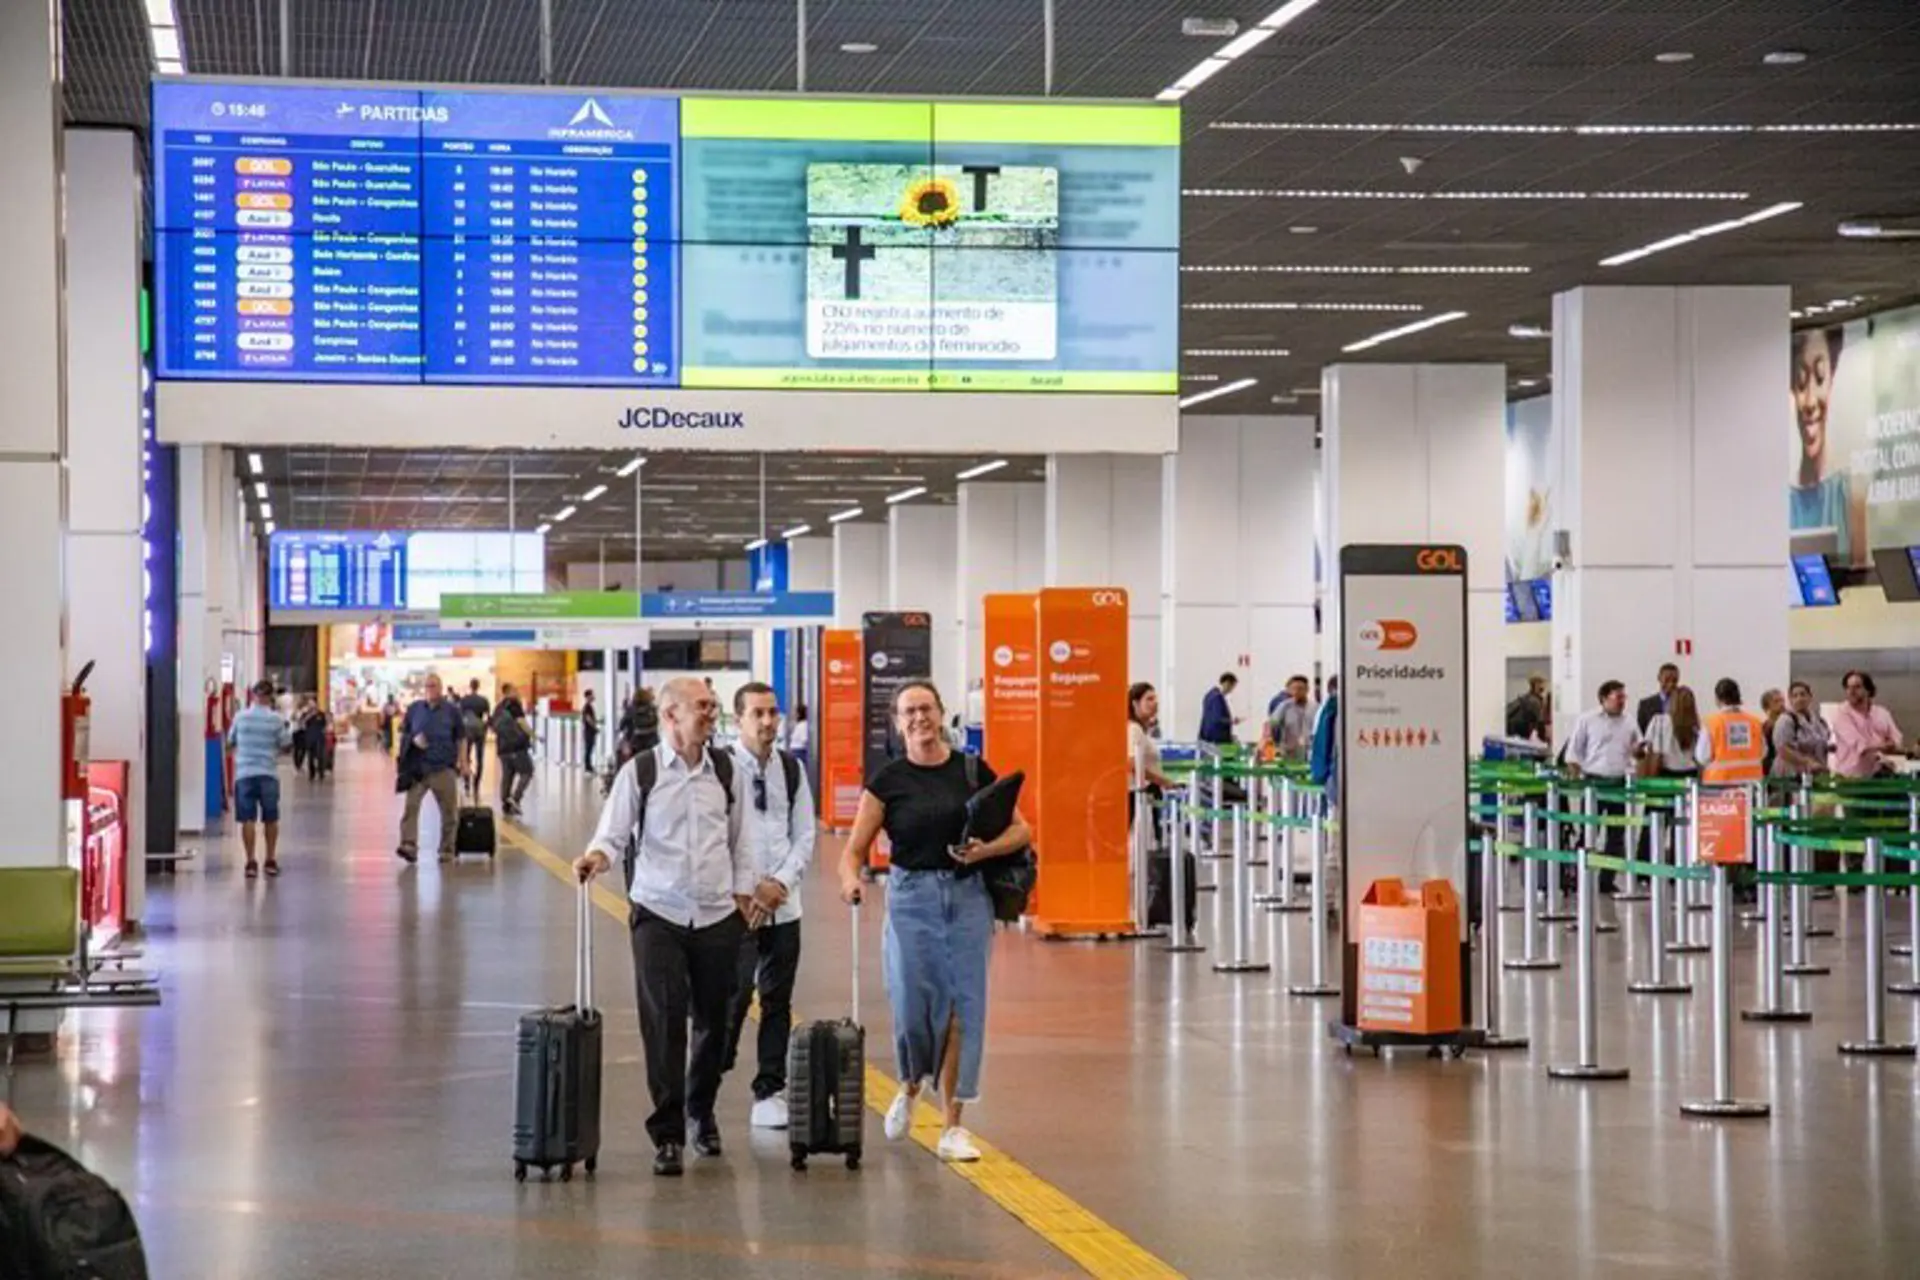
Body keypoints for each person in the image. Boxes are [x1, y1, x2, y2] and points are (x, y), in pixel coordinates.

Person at [838, 681, 1030, 1165]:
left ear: (942, 713)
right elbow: (854, 852)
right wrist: (850, 881)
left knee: (964, 1008)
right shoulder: (887, 782)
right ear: (897, 723)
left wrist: (985, 850)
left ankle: (953, 1125)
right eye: (909, 712)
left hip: (967, 898)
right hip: (910, 898)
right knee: (912, 1005)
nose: (919, 718)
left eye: (926, 708)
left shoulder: (970, 770)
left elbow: (1021, 828)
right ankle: (908, 1085)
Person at [574, 678, 755, 1178]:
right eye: (703, 706)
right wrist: (595, 857)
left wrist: (744, 890)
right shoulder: (642, 771)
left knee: (715, 1023)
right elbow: (611, 833)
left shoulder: (726, 770)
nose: (712, 714)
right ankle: (669, 1132)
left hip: (718, 912)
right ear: (671, 715)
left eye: (714, 706)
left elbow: (743, 839)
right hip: (659, 911)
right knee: (665, 1022)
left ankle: (701, 1108)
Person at [722, 682, 815, 1131]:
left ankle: (769, 1089)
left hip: (783, 908)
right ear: (738, 719)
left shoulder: (792, 770)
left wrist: (780, 882)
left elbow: (805, 835)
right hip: (734, 909)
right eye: (757, 713)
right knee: (731, 997)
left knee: (777, 1000)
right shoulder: (719, 769)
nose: (767, 722)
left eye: (772, 713)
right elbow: (712, 836)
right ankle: (708, 1078)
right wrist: (744, 889)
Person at [1791, 325, 1862, 565]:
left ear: (1832, 378)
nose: (1810, 401)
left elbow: (1865, 584)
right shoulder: (1779, 501)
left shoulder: (1850, 494)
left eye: (1819, 379)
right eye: (1801, 384)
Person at [1566, 680, 1642, 893]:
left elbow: (1638, 750)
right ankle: (1578, 878)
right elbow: (1574, 752)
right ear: (1603, 698)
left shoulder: (1630, 722)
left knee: (1616, 836)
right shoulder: (1587, 720)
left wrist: (1639, 751)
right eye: (1617, 697)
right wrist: (1575, 774)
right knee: (1588, 833)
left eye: (1623, 697)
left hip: (1618, 783)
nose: (1621, 702)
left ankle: (1606, 881)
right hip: (1594, 782)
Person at [395, 673, 471, 864]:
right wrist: (410, 743)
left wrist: (464, 762)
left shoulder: (452, 711)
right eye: (428, 686)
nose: (431, 689)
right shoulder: (415, 709)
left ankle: (446, 849)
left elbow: (461, 737)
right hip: (419, 769)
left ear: (441, 688)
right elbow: (404, 733)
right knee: (411, 807)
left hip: (443, 768)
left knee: (449, 812)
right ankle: (409, 845)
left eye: (434, 686)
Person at [228, 678, 292, 880]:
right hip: (268, 773)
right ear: (270, 697)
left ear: (254, 696)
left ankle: (250, 862)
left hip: (244, 774)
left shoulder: (240, 717)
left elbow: (231, 741)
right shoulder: (275, 720)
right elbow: (285, 744)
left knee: (247, 819)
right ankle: (270, 859)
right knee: (270, 819)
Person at [1830, 670, 1906, 778]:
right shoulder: (1841, 714)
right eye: (1848, 687)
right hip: (1852, 777)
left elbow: (1897, 737)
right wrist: (1884, 746)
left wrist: (1893, 745)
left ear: (1868, 690)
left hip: (1881, 773)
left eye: (1857, 687)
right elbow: (1859, 745)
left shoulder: (1882, 713)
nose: (1851, 691)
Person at [1772, 680, 1833, 778]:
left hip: (1815, 774)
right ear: (1790, 700)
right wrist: (1807, 762)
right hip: (1791, 776)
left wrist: (1830, 748)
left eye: (1803, 694)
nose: (1799, 699)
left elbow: (1822, 743)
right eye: (1795, 696)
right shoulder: (1786, 720)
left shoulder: (1820, 722)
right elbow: (1783, 750)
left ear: (1810, 697)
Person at [1641, 685, 1702, 779]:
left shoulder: (1659, 721)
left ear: (1672, 702)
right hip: (1691, 774)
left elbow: (1655, 754)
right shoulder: (1696, 726)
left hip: (1667, 775)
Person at [493, 683, 535, 816]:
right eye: (516, 690)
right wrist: (534, 735)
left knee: (507, 775)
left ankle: (505, 805)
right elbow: (522, 722)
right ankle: (515, 798)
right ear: (509, 691)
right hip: (516, 746)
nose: (517, 692)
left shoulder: (498, 708)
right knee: (527, 771)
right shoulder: (514, 704)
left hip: (502, 748)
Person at [1265, 674, 1317, 762]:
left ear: (1307, 690)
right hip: (1289, 753)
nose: (1296, 692)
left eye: (1300, 689)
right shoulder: (1285, 706)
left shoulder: (1315, 708)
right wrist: (1269, 739)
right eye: (1294, 689)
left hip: (1310, 752)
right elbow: (1271, 723)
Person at [458, 679, 493, 795]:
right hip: (480, 729)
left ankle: (467, 781)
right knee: (480, 757)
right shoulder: (484, 700)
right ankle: (477, 783)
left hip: (467, 730)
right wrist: (485, 727)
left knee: (466, 755)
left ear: (470, 686)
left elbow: (459, 717)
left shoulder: (464, 700)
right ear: (478, 686)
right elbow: (488, 717)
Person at [1198, 672, 1239, 747]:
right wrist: (1232, 721)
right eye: (1232, 687)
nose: (1231, 690)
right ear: (1227, 683)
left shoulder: (1210, 695)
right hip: (1215, 739)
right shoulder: (1216, 698)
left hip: (1208, 737)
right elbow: (1217, 718)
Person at [1636, 664, 1679, 734]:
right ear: (1659, 678)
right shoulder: (1646, 705)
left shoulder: (1683, 704)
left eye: (1674, 681)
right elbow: (1640, 733)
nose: (1671, 684)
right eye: (1667, 680)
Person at [1506, 675, 1550, 742]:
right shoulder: (1534, 701)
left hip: (1515, 732)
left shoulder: (1525, 698)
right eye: (1542, 684)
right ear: (1536, 685)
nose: (1544, 686)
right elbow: (1540, 722)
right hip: (1523, 733)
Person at [299, 699, 331, 780]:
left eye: (312, 703)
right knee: (310, 756)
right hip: (310, 737)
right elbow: (302, 725)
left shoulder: (321, 714)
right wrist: (308, 717)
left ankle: (321, 772)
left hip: (319, 737)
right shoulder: (305, 714)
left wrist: (325, 731)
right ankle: (311, 773)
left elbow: (326, 724)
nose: (311, 705)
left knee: (320, 755)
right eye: (309, 704)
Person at [1759, 688, 1786, 776]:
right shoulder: (1764, 728)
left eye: (1782, 700)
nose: (1781, 704)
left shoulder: (1790, 724)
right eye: (1776, 701)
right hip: (1770, 770)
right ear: (1767, 707)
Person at [581, 689, 600, 774]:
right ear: (588, 696)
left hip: (589, 731)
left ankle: (589, 766)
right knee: (588, 749)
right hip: (589, 732)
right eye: (592, 695)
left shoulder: (589, 707)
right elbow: (588, 719)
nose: (593, 696)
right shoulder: (587, 707)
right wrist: (595, 728)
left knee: (589, 749)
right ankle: (588, 767)